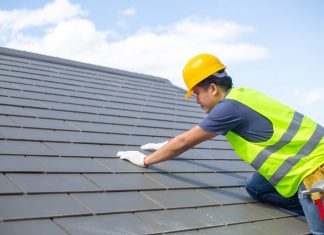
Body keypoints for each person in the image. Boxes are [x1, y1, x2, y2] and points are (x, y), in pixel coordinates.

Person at [117, 53, 324, 234]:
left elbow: (186, 141)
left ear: (213, 88)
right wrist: (166, 145)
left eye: (197, 93)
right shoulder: (243, 96)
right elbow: (189, 136)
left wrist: (146, 160)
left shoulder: (228, 109)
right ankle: (310, 210)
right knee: (256, 187)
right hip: (306, 163)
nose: (196, 100)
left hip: (315, 173)